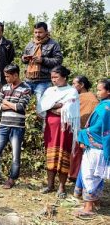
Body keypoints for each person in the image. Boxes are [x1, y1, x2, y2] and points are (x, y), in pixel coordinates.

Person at [0, 64, 31, 189]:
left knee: (15, 155)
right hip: (3, 125)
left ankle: (12, 179)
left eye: (8, 76)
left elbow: (20, 107)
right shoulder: (4, 87)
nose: (6, 79)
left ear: (16, 75)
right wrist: (10, 104)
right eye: (5, 76)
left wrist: (5, 102)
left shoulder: (26, 88)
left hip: (17, 127)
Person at [37, 66, 80, 198]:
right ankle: (50, 185)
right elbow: (42, 105)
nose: (53, 80)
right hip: (51, 128)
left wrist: (52, 106)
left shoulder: (72, 91)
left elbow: (68, 109)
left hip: (64, 129)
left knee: (63, 155)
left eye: (56, 77)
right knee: (51, 154)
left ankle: (61, 187)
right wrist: (57, 105)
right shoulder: (50, 90)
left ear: (64, 77)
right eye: (52, 77)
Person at [73, 78, 110, 217]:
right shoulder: (105, 105)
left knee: (90, 174)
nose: (97, 92)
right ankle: (95, 202)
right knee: (97, 174)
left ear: (109, 91)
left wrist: (82, 133)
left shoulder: (105, 108)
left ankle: (88, 208)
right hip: (101, 147)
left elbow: (100, 127)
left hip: (96, 147)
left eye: (100, 90)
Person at [22, 22, 63, 102]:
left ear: (46, 32)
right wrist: (24, 59)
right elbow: (24, 58)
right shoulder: (30, 44)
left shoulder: (53, 44)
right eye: (35, 32)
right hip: (28, 80)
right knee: (23, 102)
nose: (37, 35)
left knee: (41, 105)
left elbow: (58, 61)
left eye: (40, 32)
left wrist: (43, 60)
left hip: (44, 80)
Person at [69, 76, 100, 181]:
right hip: (84, 130)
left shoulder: (86, 98)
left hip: (83, 130)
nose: (72, 86)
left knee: (78, 153)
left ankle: (75, 175)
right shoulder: (91, 97)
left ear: (81, 85)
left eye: (74, 84)